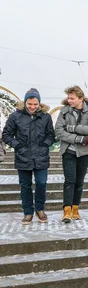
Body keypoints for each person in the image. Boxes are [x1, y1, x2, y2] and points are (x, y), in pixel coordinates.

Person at [1, 88, 55, 225]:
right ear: (25, 102)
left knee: (41, 183)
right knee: (25, 186)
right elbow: (6, 134)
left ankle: (40, 209)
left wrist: (45, 145)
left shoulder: (46, 116)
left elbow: (51, 135)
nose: (32, 107)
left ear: (39, 103)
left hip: (41, 156)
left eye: (35, 104)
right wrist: (17, 145)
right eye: (30, 103)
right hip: (23, 156)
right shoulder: (15, 116)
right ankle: (28, 212)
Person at [54, 85, 88, 223]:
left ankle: (75, 209)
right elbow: (59, 131)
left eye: (72, 98)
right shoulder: (64, 112)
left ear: (81, 98)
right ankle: (67, 211)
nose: (69, 100)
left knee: (79, 181)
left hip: (85, 151)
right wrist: (78, 138)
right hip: (68, 150)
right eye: (68, 98)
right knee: (70, 181)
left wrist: (73, 128)